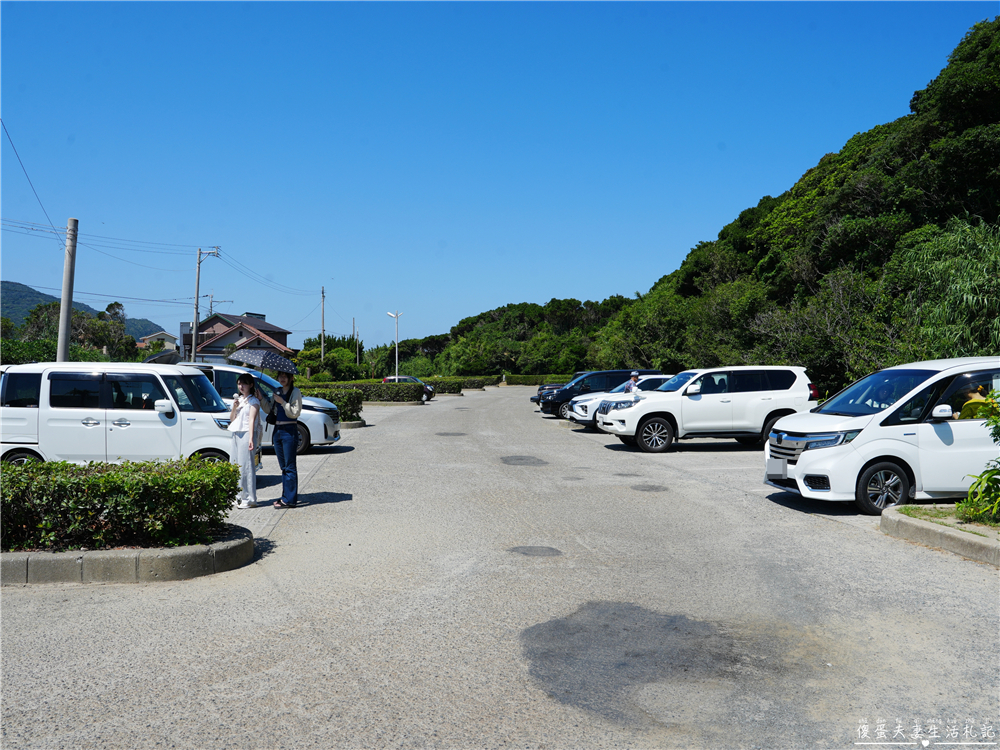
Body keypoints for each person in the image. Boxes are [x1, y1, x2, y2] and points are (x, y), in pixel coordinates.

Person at [271, 370, 303, 509]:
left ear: (291, 378)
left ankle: (290, 500)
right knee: (283, 467)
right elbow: (270, 410)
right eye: (280, 376)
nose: (282, 378)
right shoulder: (277, 391)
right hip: (277, 430)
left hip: (289, 431)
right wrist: (261, 399)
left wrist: (283, 402)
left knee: (290, 466)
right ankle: (286, 497)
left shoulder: (295, 392)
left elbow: (295, 413)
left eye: (285, 376)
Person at [228, 373, 261, 509]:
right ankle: (238, 497)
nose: (241, 386)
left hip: (247, 433)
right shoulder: (239, 400)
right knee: (236, 464)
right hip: (236, 433)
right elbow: (232, 419)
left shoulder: (254, 401)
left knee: (246, 466)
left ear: (251, 385)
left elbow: (251, 420)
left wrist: (251, 438)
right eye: (239, 383)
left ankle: (249, 498)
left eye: (244, 383)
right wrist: (234, 407)